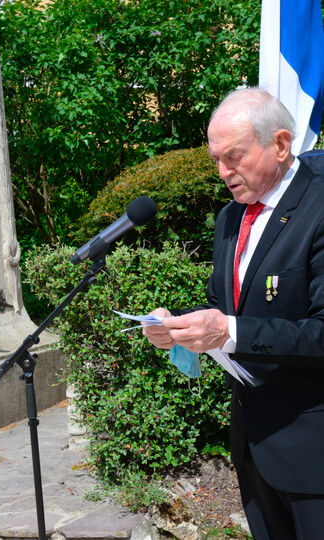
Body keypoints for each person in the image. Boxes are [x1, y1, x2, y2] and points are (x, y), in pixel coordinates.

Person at [142, 87, 324, 540]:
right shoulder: (230, 217)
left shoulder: (320, 208)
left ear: (281, 145)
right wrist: (179, 324)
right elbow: (228, 308)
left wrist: (228, 331)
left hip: (314, 451)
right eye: (216, 159)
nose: (223, 172)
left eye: (235, 157)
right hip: (252, 444)